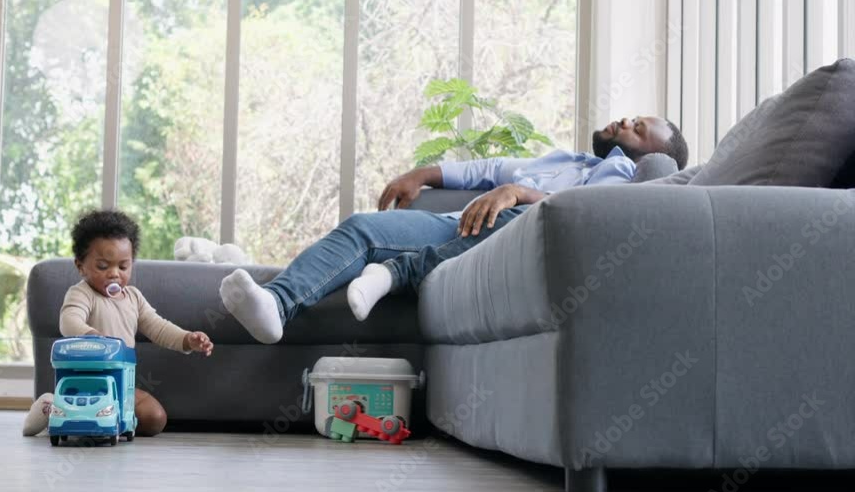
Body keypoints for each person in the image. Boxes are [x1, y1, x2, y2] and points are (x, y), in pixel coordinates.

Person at [218, 116, 689, 344]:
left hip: (507, 238)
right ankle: (276, 305)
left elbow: (589, 214)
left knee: (518, 216)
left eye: (640, 127)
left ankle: (398, 272)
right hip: (456, 228)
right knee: (364, 226)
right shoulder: (568, 160)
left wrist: (518, 194)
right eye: (632, 116)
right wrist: (423, 174)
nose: (626, 121)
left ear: (651, 156)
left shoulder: (625, 180)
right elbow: (490, 166)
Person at [22, 210, 214, 437]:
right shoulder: (82, 293)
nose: (114, 274)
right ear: (81, 265)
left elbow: (158, 327)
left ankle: (111, 423)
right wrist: (89, 334)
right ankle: (52, 406)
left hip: (122, 381)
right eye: (103, 266)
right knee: (87, 413)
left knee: (155, 418)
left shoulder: (133, 297)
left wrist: (187, 339)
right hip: (85, 380)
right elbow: (69, 320)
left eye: (123, 267)